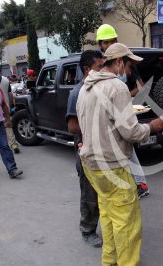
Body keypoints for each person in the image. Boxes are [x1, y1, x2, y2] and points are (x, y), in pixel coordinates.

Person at [76, 43, 163, 266]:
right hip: (112, 165)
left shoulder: (85, 88)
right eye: (128, 66)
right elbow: (131, 132)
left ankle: (110, 261)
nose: (129, 72)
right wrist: (152, 127)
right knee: (127, 222)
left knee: (108, 216)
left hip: (92, 164)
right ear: (118, 62)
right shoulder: (116, 87)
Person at [96, 23, 149, 199]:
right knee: (124, 147)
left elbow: (141, 88)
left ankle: (139, 184)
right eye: (105, 42)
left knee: (126, 145)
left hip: (122, 111)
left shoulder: (124, 63)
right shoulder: (98, 65)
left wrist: (124, 95)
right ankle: (138, 183)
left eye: (112, 41)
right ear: (100, 45)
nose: (108, 45)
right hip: (107, 115)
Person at [66, 50, 105, 247]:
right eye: (99, 68)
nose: (102, 71)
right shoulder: (77, 93)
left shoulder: (102, 89)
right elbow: (72, 127)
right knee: (90, 194)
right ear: (86, 69)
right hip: (87, 152)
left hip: (106, 151)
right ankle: (87, 229)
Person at [0, 62, 20, 154]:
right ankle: (14, 145)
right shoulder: (6, 79)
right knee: (8, 126)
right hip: (5, 107)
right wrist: (11, 105)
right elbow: (10, 94)